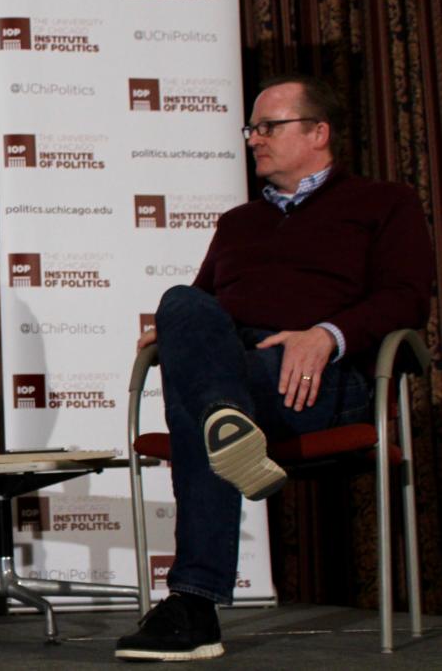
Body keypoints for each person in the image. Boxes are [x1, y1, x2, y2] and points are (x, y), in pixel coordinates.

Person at [115, 75, 433, 661]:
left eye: (268, 127)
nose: (254, 139)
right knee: (180, 303)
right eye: (251, 128)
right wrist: (178, 332)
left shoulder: (384, 203)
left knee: (196, 397)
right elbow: (203, 303)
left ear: (318, 132)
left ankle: (192, 605)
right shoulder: (238, 223)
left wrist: (327, 334)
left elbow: (409, 298)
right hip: (241, 373)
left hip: (322, 382)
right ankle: (226, 421)